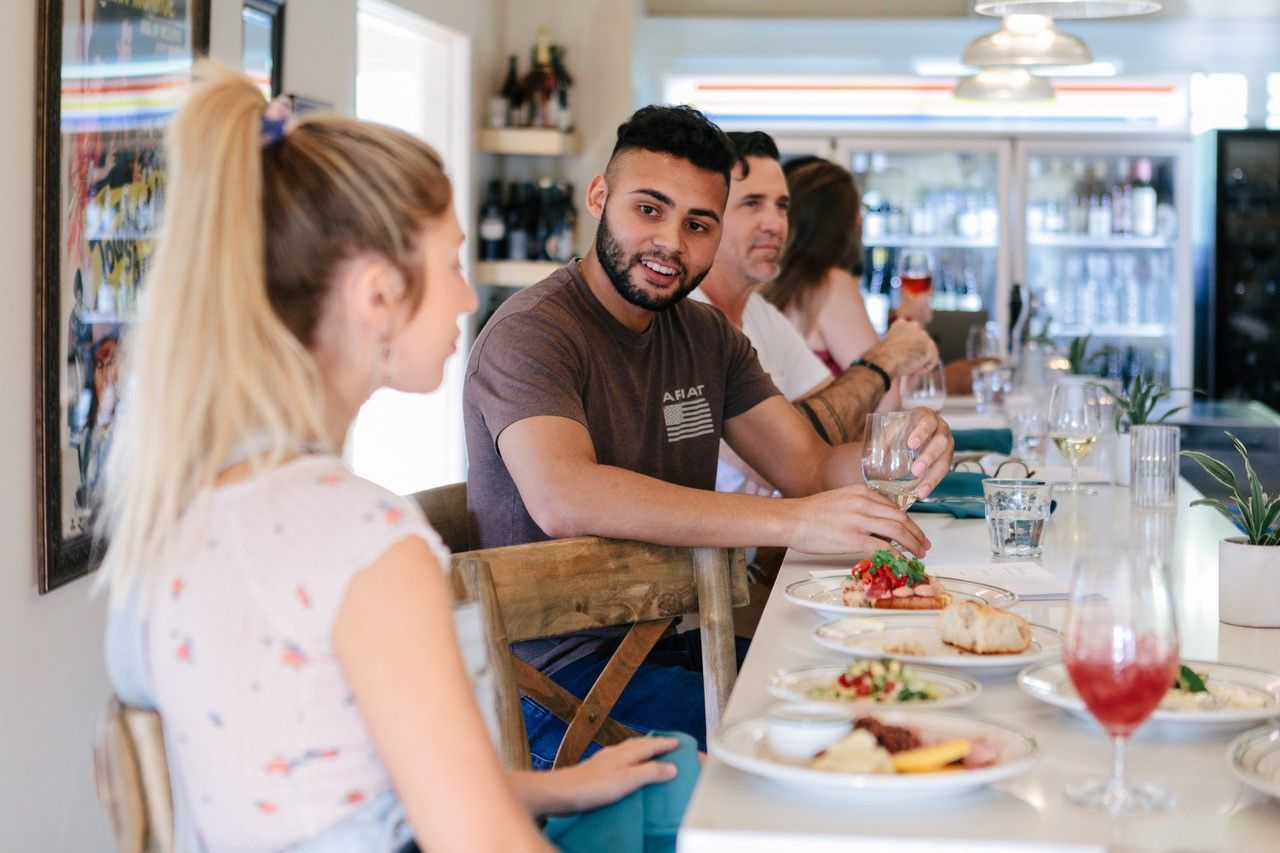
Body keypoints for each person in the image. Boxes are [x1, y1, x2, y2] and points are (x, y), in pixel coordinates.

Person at [99, 64, 695, 853]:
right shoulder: (364, 541)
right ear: (378, 294)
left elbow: (318, 772)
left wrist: (557, 783)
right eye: (449, 263)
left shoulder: (184, 502)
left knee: (670, 766)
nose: (463, 296)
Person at [463, 105, 954, 767]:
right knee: (845, 739)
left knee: (900, 694)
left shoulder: (705, 336)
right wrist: (793, 521)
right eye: (649, 210)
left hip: (681, 646)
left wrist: (902, 448)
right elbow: (564, 495)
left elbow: (807, 465)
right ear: (599, 196)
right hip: (561, 691)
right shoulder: (533, 333)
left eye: (697, 224)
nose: (671, 241)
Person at [695, 131, 941, 497]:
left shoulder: (761, 313)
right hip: (741, 553)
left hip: (778, 546)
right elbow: (783, 465)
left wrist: (921, 442)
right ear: (704, 216)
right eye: (752, 204)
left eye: (781, 206)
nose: (774, 223)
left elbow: (844, 431)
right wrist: (887, 357)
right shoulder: (685, 321)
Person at [763, 160, 933, 404]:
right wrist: (909, 324)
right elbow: (885, 398)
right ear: (852, 223)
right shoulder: (829, 284)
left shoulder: (774, 283)